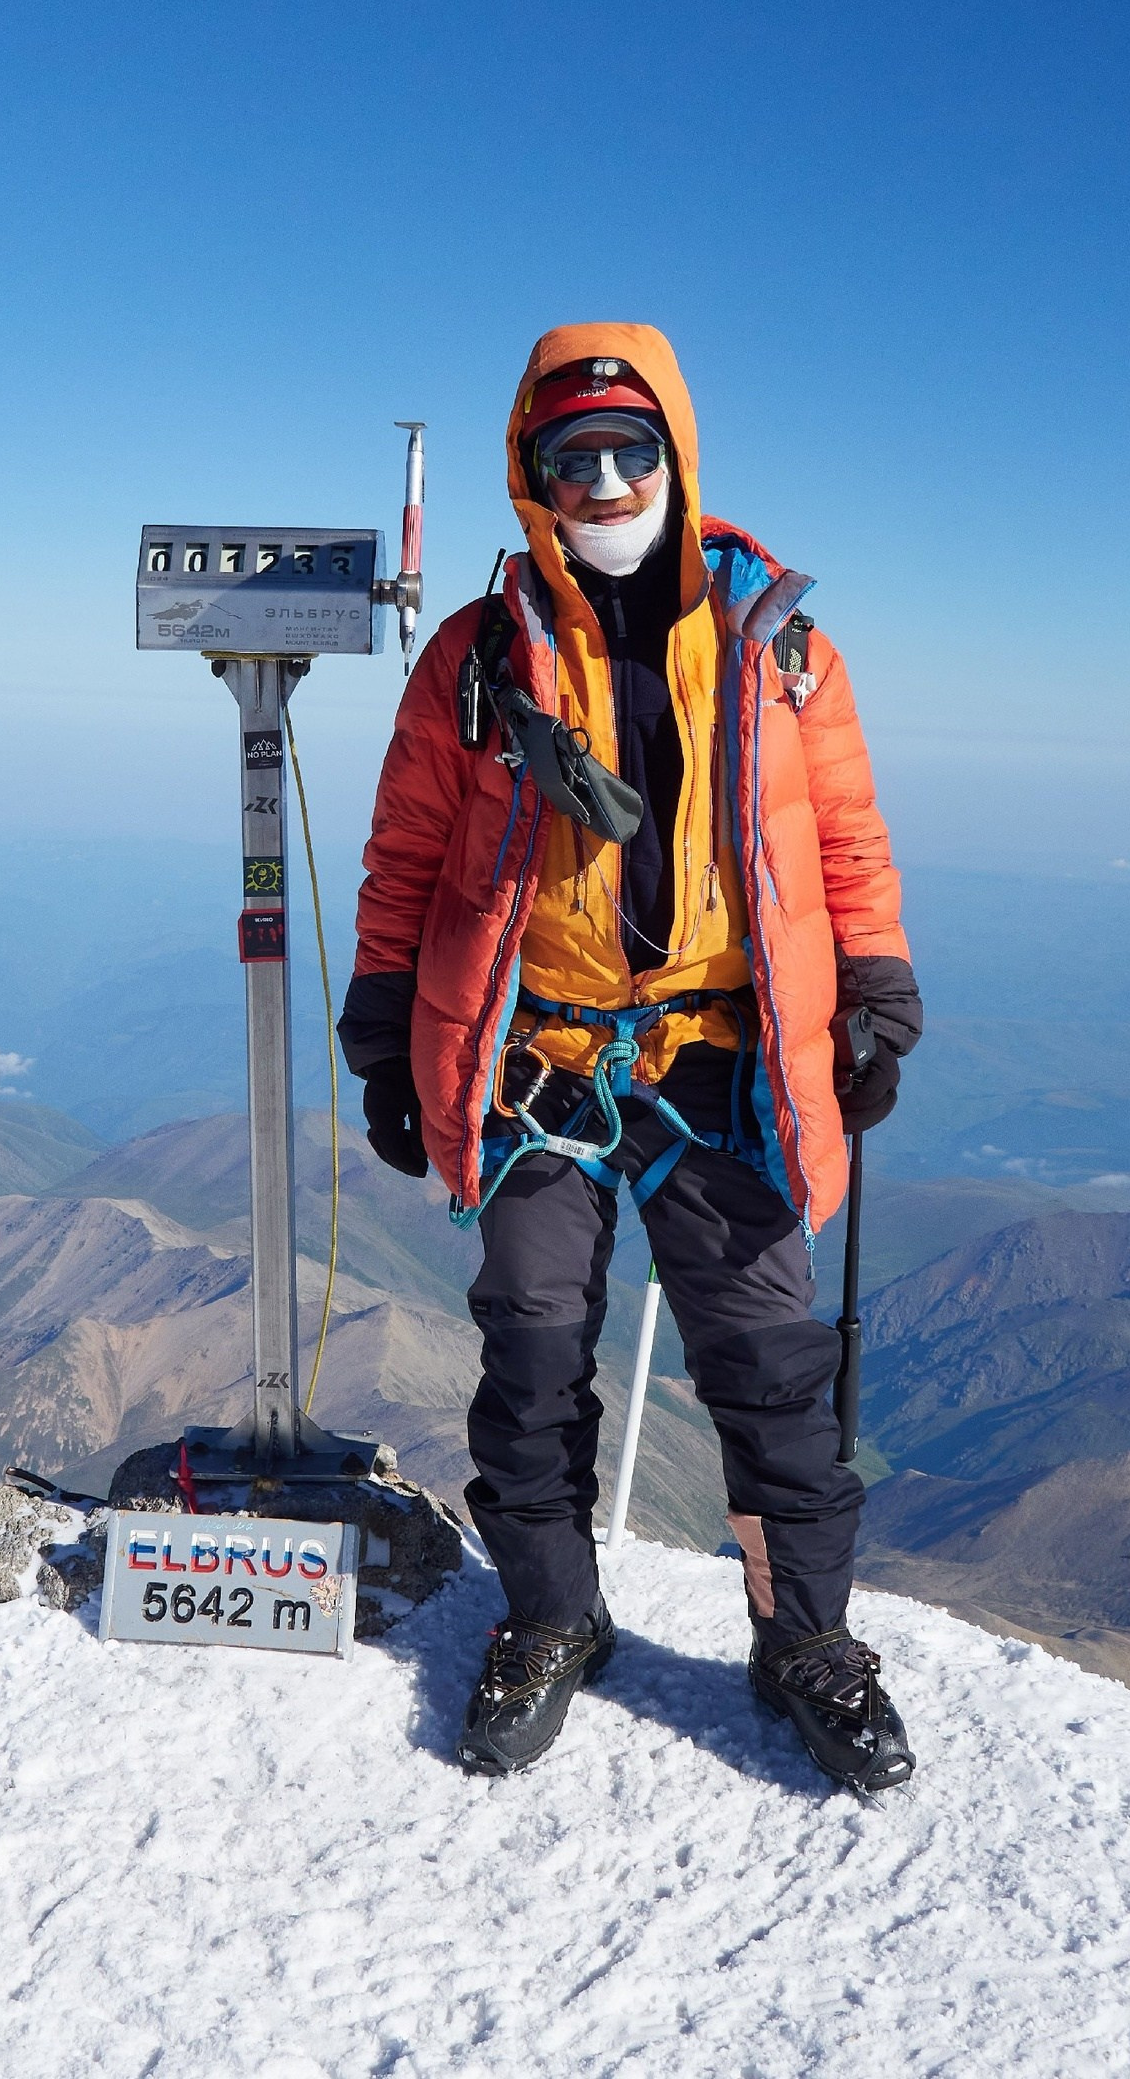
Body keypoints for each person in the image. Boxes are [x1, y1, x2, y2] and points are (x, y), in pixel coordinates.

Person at [338, 323, 921, 1789]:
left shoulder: (780, 647)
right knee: (531, 1348)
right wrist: (383, 1024)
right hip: (539, 1051)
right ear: (529, 479)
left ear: (676, 454)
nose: (602, 481)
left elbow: (839, 839)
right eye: (568, 458)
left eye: (627, 451)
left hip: (722, 1054)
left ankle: (805, 1643)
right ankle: (554, 1618)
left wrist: (875, 987)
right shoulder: (479, 661)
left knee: (772, 1368)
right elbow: (408, 849)